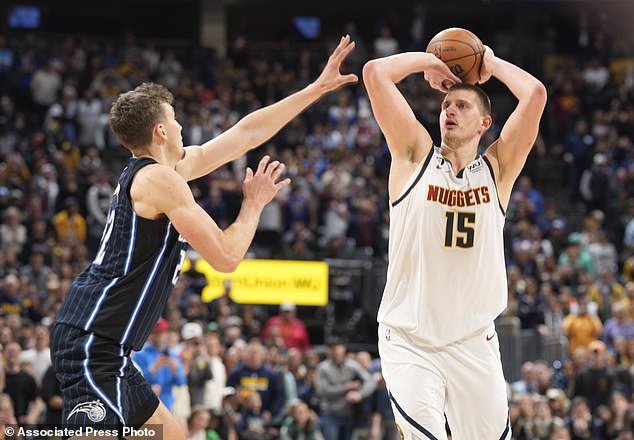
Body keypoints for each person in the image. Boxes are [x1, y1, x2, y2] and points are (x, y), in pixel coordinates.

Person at [50, 36, 358, 439]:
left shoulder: (165, 171)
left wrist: (315, 89)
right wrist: (253, 205)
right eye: (175, 119)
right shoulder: (159, 180)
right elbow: (227, 257)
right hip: (92, 342)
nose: (181, 125)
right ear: (161, 131)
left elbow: (245, 134)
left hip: (108, 347)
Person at [363, 36, 547, 439]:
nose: (449, 110)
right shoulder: (414, 157)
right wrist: (429, 61)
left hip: (472, 341)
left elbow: (534, 94)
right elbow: (375, 73)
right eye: (446, 105)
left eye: (462, 106)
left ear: (485, 123)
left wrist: (489, 62)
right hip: (410, 340)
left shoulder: (498, 170)